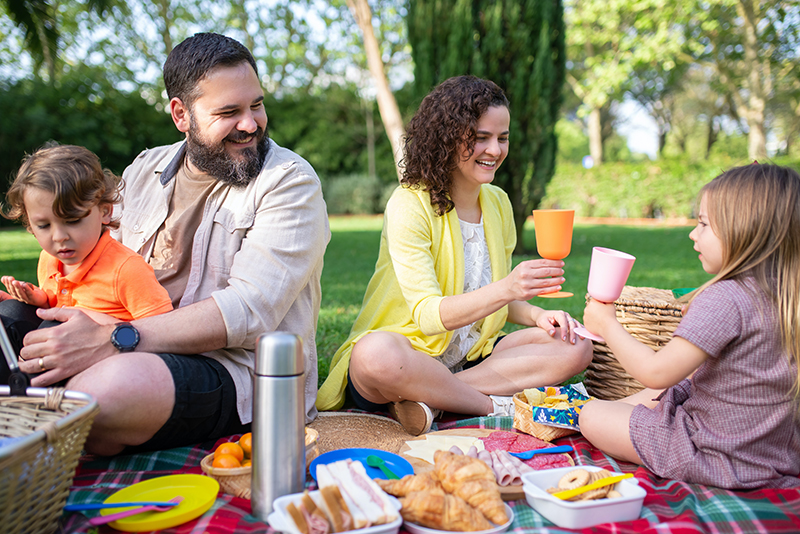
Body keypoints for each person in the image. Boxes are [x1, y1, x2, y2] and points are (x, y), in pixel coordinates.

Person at [9, 33, 330, 456]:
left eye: (256, 105)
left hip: (233, 368)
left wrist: (111, 339)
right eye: (229, 112)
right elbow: (101, 266)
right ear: (181, 114)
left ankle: (52, 423)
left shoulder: (289, 181)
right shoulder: (144, 169)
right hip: (124, 337)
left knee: (99, 394)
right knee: (9, 319)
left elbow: (249, 313)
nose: (251, 123)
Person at [316, 76, 592, 435]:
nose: (495, 150)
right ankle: (494, 406)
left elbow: (489, 298)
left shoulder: (498, 203)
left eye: (502, 137)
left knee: (576, 345)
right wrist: (509, 287)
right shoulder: (409, 204)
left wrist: (540, 315)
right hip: (407, 355)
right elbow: (430, 316)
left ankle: (432, 400)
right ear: (446, 137)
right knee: (374, 354)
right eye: (480, 137)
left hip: (470, 359)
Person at [579, 163, 800, 489]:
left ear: (744, 229)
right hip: (773, 455)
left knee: (590, 416)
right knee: (659, 392)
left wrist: (607, 324)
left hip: (711, 455)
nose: (693, 233)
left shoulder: (726, 297)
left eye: (703, 224)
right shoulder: (787, 296)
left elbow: (656, 373)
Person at [0, 145, 173, 385]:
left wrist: (99, 324)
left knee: (54, 328)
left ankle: (32, 400)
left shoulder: (126, 269)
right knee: (9, 314)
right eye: (44, 226)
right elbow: (59, 302)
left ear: (104, 212)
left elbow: (162, 332)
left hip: (104, 363)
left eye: (72, 221)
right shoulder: (50, 260)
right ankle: (9, 395)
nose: (59, 236)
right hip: (54, 353)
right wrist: (38, 300)